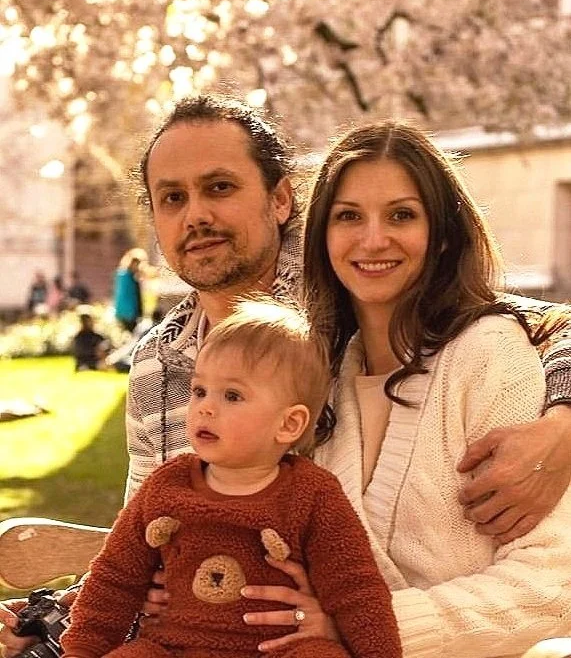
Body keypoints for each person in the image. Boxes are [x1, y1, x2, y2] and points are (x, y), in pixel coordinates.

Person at [2, 97, 571, 657]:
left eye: (220, 187)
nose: (196, 214)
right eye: (172, 198)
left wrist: (564, 419)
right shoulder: (158, 362)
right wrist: (46, 621)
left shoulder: (330, 319)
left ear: (281, 200)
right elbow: (140, 546)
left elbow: (525, 323)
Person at [243, 120, 570, 658]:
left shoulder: (489, 355)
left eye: (401, 215)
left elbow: (552, 588)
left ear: (441, 233)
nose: (374, 239)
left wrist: (361, 626)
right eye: (349, 216)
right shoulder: (320, 376)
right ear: (322, 236)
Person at [59, 298, 402, 658]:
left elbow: (357, 591)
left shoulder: (311, 494)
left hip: (277, 649)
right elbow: (114, 579)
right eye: (199, 390)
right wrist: (81, 651)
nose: (204, 407)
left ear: (289, 424)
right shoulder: (168, 484)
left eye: (232, 395)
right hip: (172, 647)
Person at [114, 249, 146, 332]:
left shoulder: (129, 276)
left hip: (129, 312)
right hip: (128, 313)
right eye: (137, 264)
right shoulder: (126, 276)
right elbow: (126, 295)